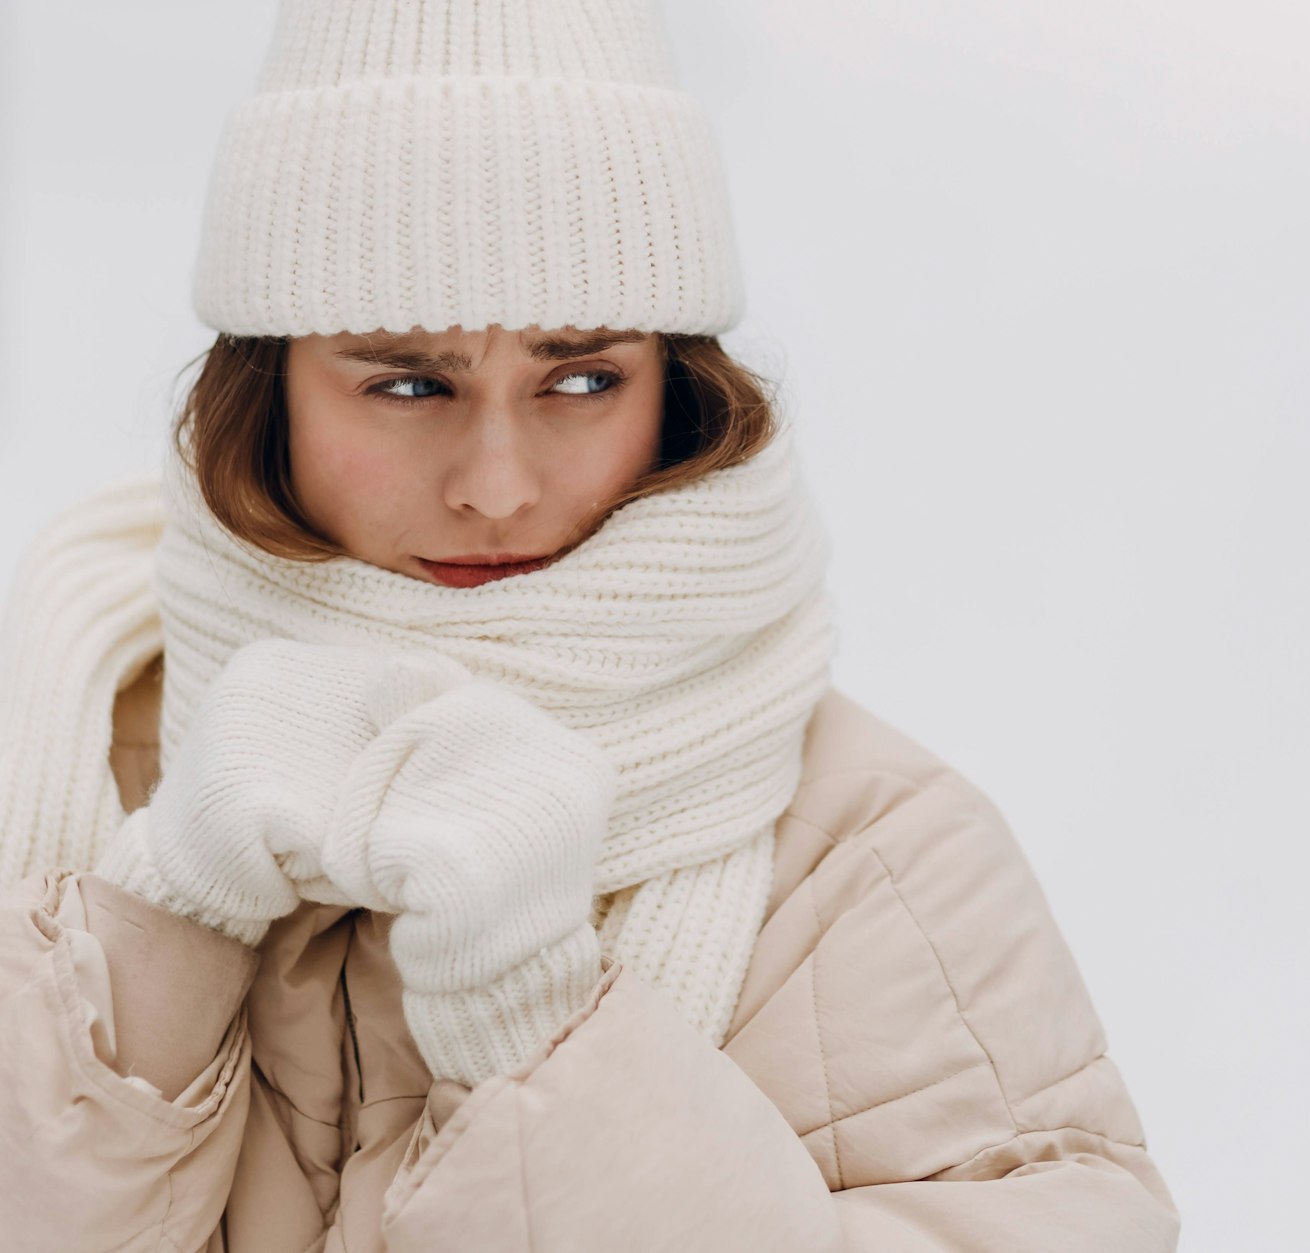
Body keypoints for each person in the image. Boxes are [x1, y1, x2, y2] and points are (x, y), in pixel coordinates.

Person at [0, 2, 1180, 1249]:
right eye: (406, 382)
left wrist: (535, 1023)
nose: (496, 482)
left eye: (579, 379)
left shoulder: (861, 847)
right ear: (267, 386)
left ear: (677, 388)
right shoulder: (59, 733)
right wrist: (161, 918)